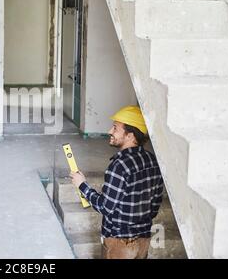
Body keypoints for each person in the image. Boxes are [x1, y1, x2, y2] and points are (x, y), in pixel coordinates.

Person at [70, 106, 164, 259]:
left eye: (115, 128)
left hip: (119, 243)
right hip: (143, 240)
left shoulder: (120, 166)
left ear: (130, 136)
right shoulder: (152, 160)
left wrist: (82, 185)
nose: (109, 132)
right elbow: (154, 206)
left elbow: (105, 207)